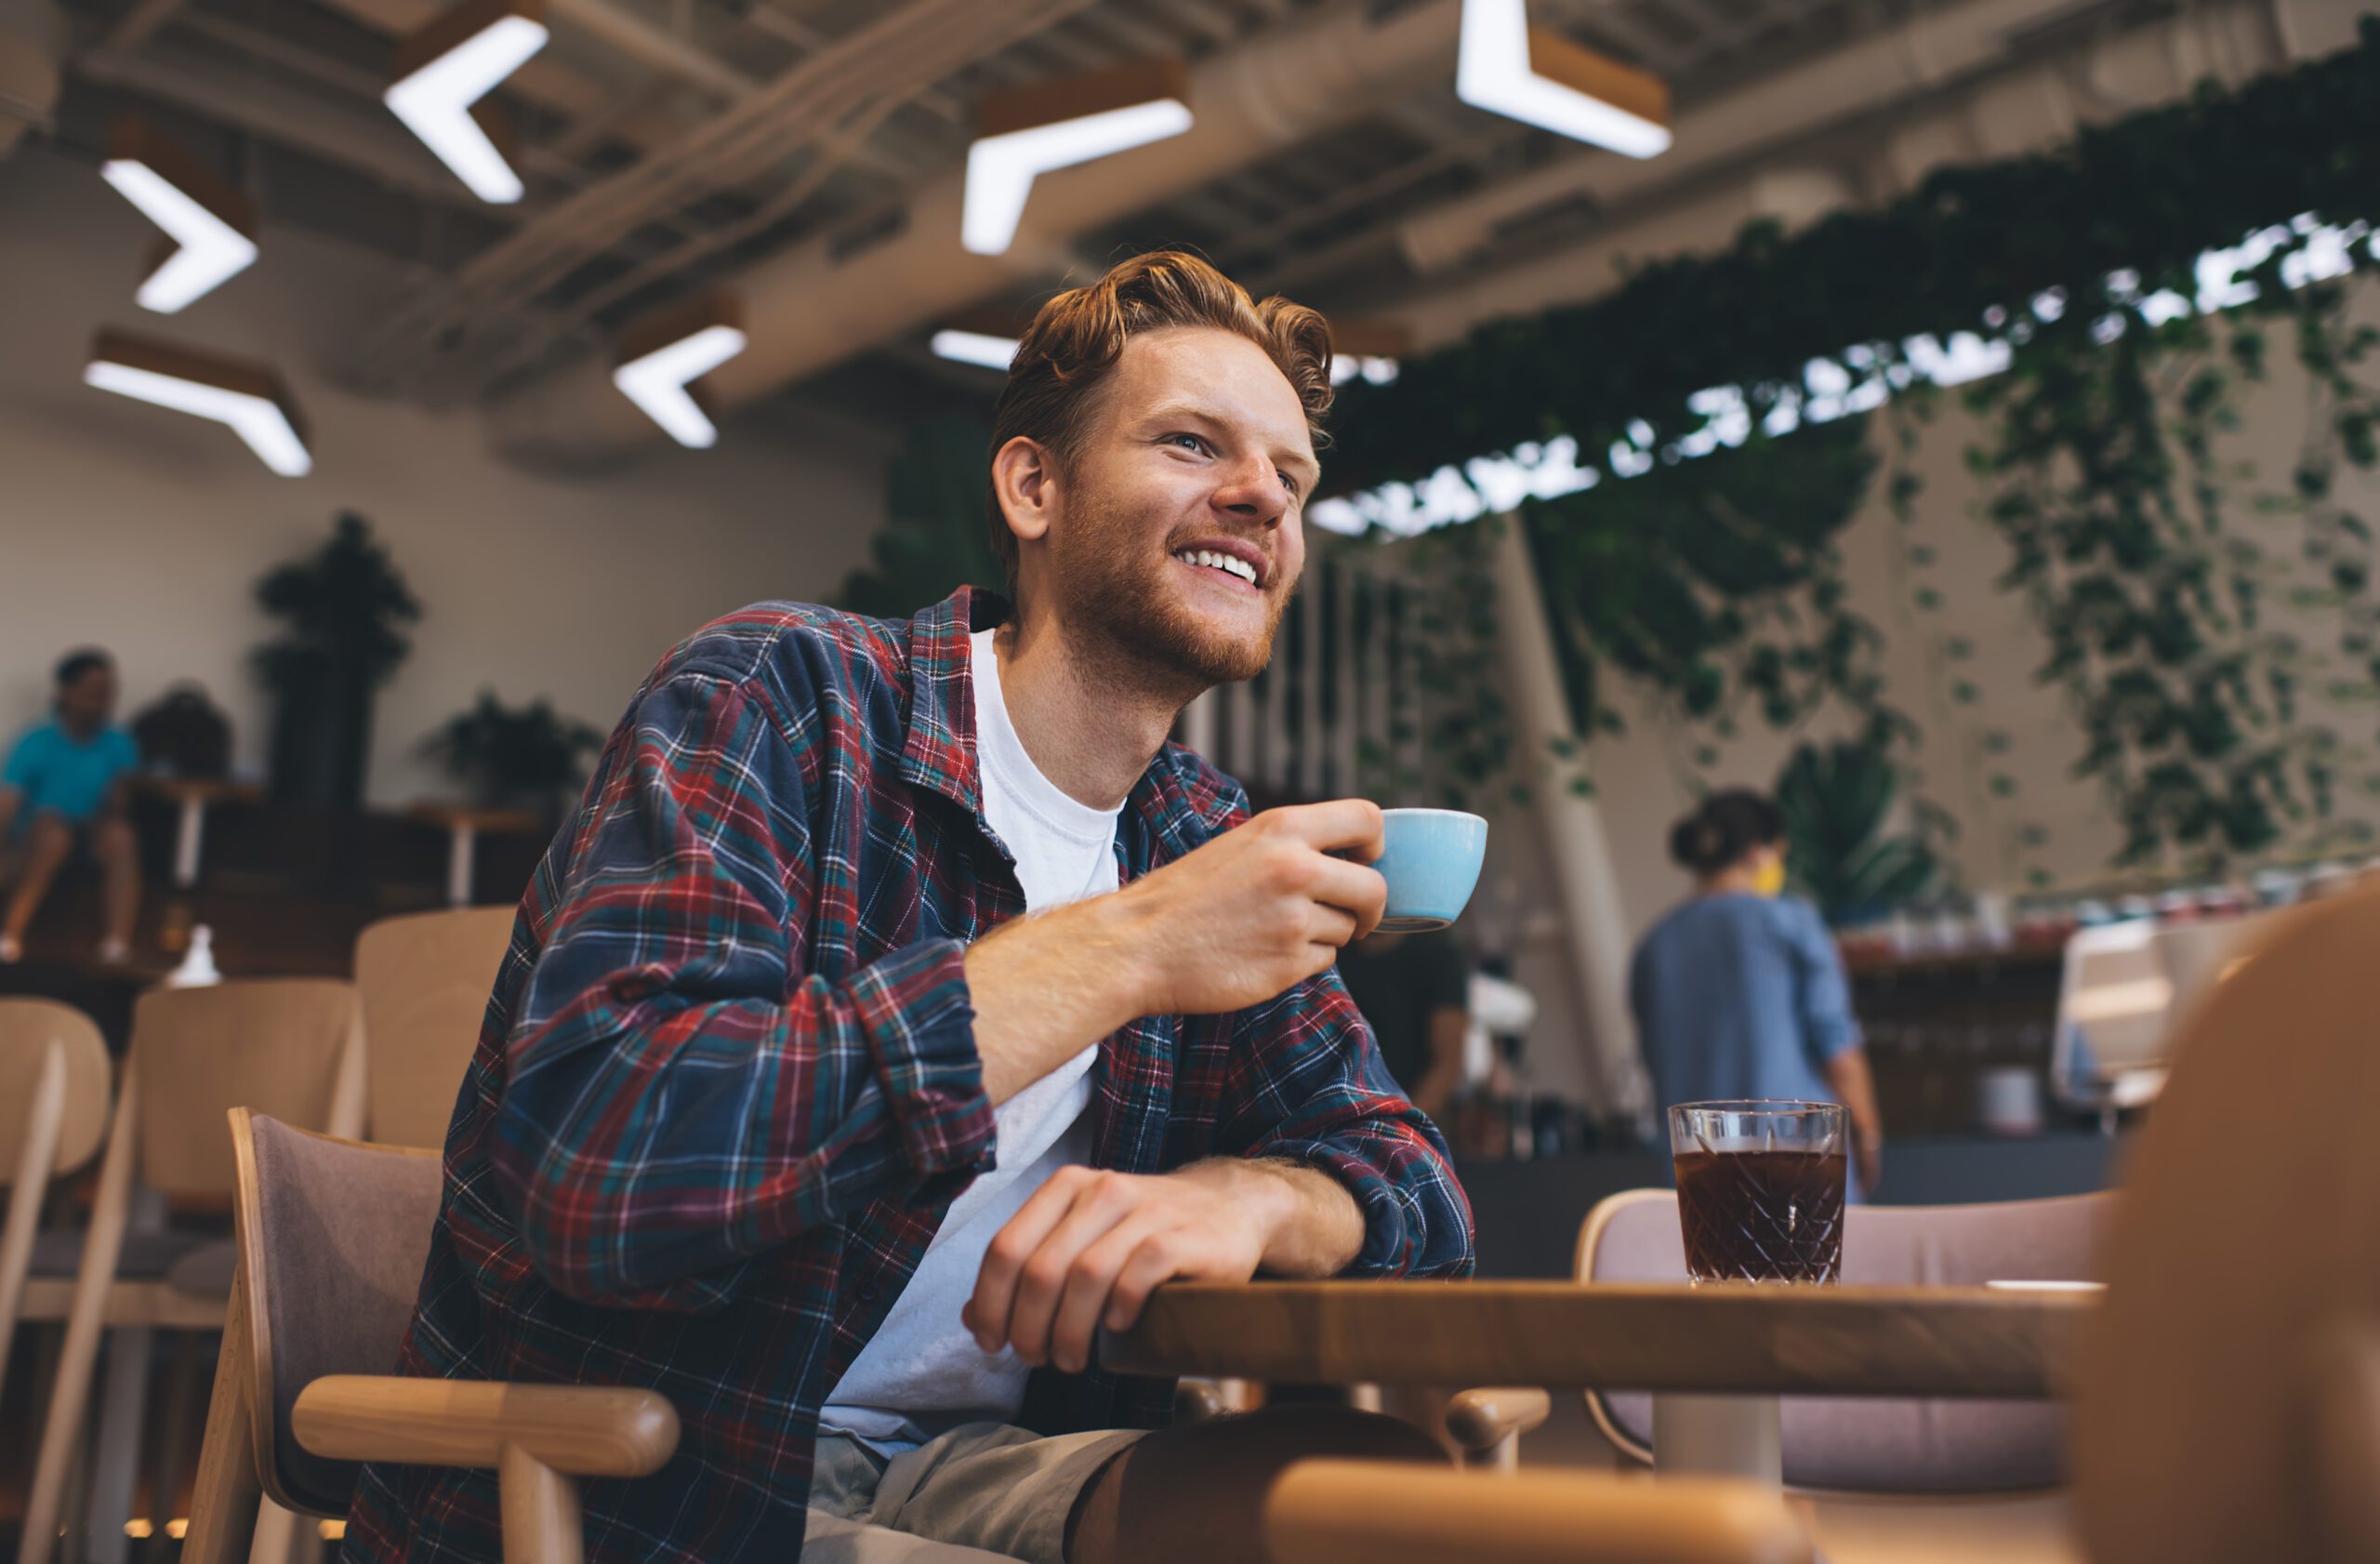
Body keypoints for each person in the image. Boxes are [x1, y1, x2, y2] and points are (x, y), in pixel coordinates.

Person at [345, 252, 1473, 1564]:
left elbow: (1417, 1186)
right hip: (670, 1478)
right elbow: (602, 1151)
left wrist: (1256, 1200)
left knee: (1374, 1499)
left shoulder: (1201, 834)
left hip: (972, 1474)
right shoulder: (788, 698)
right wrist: (1131, 947)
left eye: (1291, 476)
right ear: (1033, 484)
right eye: (1191, 442)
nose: (1260, 498)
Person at [1630, 789, 1885, 1199]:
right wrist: (1868, 1137)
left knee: (1713, 1265)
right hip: (1798, 1166)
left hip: (1697, 1174)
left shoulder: (1654, 946)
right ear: (1757, 852)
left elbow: (1652, 1059)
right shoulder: (1790, 923)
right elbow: (1837, 1046)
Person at [0, 649, 142, 965]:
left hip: (91, 833)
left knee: (122, 836)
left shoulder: (120, 744)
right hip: (39, 835)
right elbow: (7, 806)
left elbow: (119, 805)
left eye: (108, 693)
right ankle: (10, 934)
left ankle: (117, 945)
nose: (102, 701)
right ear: (66, 691)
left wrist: (111, 810)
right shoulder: (35, 741)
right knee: (52, 831)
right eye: (94, 692)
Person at [1334, 927, 1471, 1119]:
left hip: (1404, 1128)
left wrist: (1400, 1129)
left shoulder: (1438, 959)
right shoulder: (1330, 956)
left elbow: (1447, 1064)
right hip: (1336, 1121)